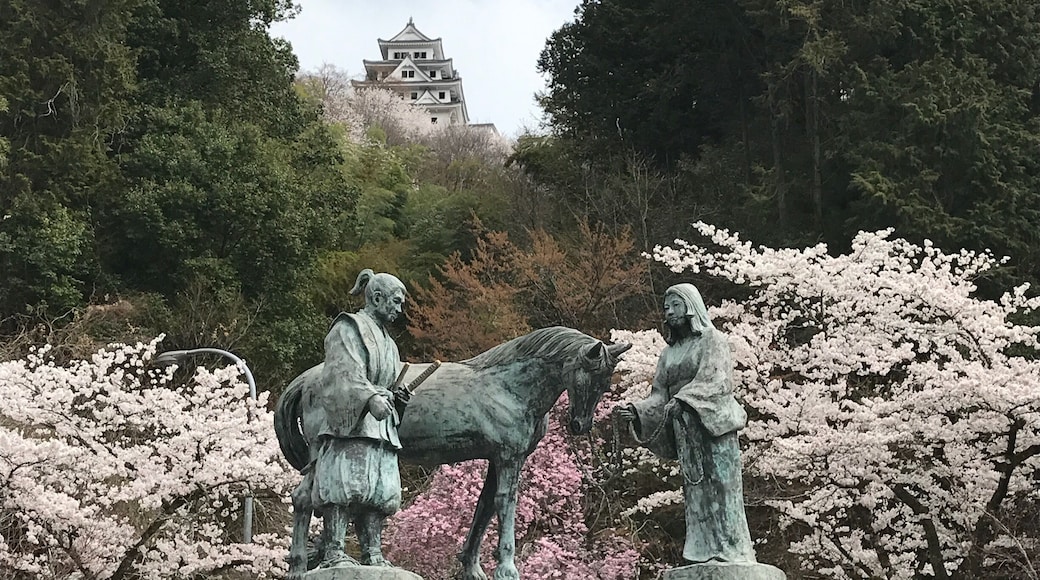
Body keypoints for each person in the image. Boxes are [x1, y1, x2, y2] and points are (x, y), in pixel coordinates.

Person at [615, 283, 756, 564]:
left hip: (711, 425)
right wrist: (638, 410)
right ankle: (701, 552)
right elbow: (659, 395)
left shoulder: (712, 339)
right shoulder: (668, 354)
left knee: (722, 487)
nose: (669, 312)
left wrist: (685, 399)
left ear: (691, 306)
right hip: (684, 427)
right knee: (695, 493)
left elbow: (717, 380)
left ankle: (731, 549)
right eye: (666, 307)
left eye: (675, 305)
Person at [300, 268, 410, 568]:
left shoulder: (390, 343)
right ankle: (333, 549)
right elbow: (341, 373)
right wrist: (371, 397)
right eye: (396, 302)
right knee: (343, 487)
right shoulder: (348, 328)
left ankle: (372, 551)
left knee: (377, 491)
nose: (400, 309)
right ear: (376, 297)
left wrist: (395, 397)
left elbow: (389, 382)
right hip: (350, 424)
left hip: (380, 427)